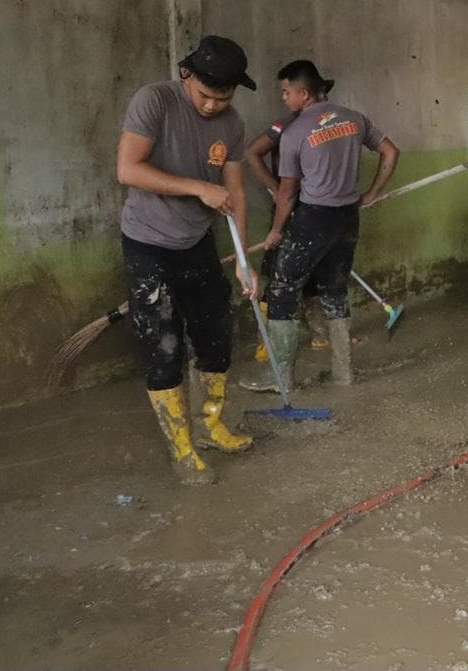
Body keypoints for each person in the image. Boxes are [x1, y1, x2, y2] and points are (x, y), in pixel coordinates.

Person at [116, 35, 260, 485]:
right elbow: (129, 169)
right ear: (187, 75)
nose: (214, 105)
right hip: (147, 242)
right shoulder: (154, 101)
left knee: (216, 336)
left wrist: (241, 259)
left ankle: (211, 424)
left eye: (224, 97)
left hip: (195, 241)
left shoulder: (231, 123)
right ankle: (182, 445)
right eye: (205, 95)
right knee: (163, 347)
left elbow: (235, 191)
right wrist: (198, 187)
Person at [240, 60, 400, 392]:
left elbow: (287, 193)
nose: (284, 98)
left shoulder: (295, 132)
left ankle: (281, 379)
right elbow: (390, 152)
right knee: (335, 291)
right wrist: (371, 193)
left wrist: (275, 231)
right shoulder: (354, 119)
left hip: (312, 218)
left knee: (283, 292)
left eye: (287, 92)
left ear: (305, 92)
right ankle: (344, 373)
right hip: (346, 218)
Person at [243, 69, 334, 361]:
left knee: (316, 272)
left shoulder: (329, 124)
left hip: (317, 209)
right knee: (279, 273)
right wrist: (275, 187)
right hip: (288, 208)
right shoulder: (284, 126)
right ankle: (264, 342)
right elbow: (252, 153)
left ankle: (322, 334)